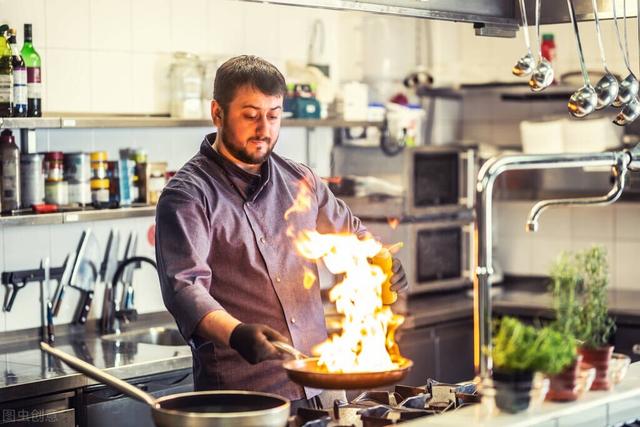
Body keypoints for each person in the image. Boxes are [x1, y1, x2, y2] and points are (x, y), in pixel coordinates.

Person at [155, 55, 408, 410]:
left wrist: (381, 261)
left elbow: (353, 236)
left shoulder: (300, 181)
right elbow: (184, 289)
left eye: (273, 115)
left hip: (320, 382)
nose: (264, 128)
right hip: (244, 399)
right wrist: (236, 333)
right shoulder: (187, 195)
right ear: (218, 113)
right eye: (250, 114)